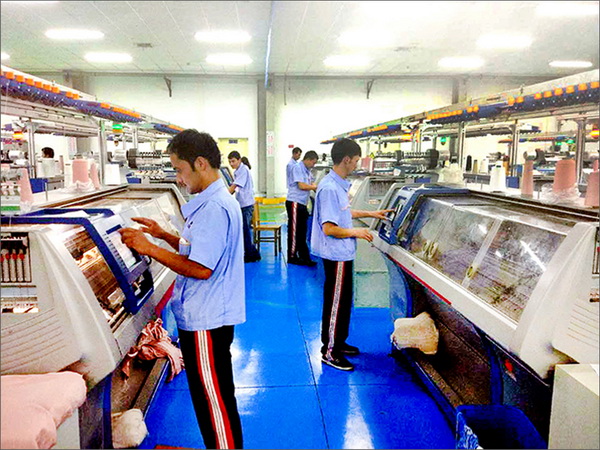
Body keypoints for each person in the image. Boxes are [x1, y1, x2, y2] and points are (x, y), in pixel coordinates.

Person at [119, 129, 245, 449]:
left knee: (213, 402)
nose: (178, 177)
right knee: (214, 397)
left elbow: (201, 268)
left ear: (200, 163)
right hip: (208, 316)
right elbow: (197, 249)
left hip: (206, 320)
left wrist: (149, 247)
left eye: (179, 169)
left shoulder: (214, 207)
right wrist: (163, 235)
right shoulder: (212, 201)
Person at [311, 138, 392, 371]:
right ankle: (330, 351)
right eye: (356, 160)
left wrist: (372, 213)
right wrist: (357, 232)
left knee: (343, 301)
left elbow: (343, 213)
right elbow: (329, 228)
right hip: (336, 254)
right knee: (336, 302)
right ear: (346, 159)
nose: (356, 165)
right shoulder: (329, 188)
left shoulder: (337, 185)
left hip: (343, 254)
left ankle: (338, 341)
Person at [228, 151, 261, 263]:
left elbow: (235, 186)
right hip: (243, 203)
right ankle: (254, 253)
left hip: (246, 205)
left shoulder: (243, 170)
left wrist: (224, 195)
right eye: (230, 162)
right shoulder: (238, 171)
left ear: (239, 160)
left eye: (233, 161)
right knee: (244, 230)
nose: (231, 164)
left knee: (245, 231)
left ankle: (250, 255)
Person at [287, 150, 319, 266]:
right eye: (313, 163)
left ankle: (304, 257)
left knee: (302, 231)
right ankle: (292, 256)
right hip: (295, 202)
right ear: (308, 160)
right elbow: (301, 185)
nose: (313, 165)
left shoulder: (307, 171)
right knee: (294, 231)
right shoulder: (297, 168)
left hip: (302, 203)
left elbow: (312, 183)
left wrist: (314, 186)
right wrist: (314, 187)